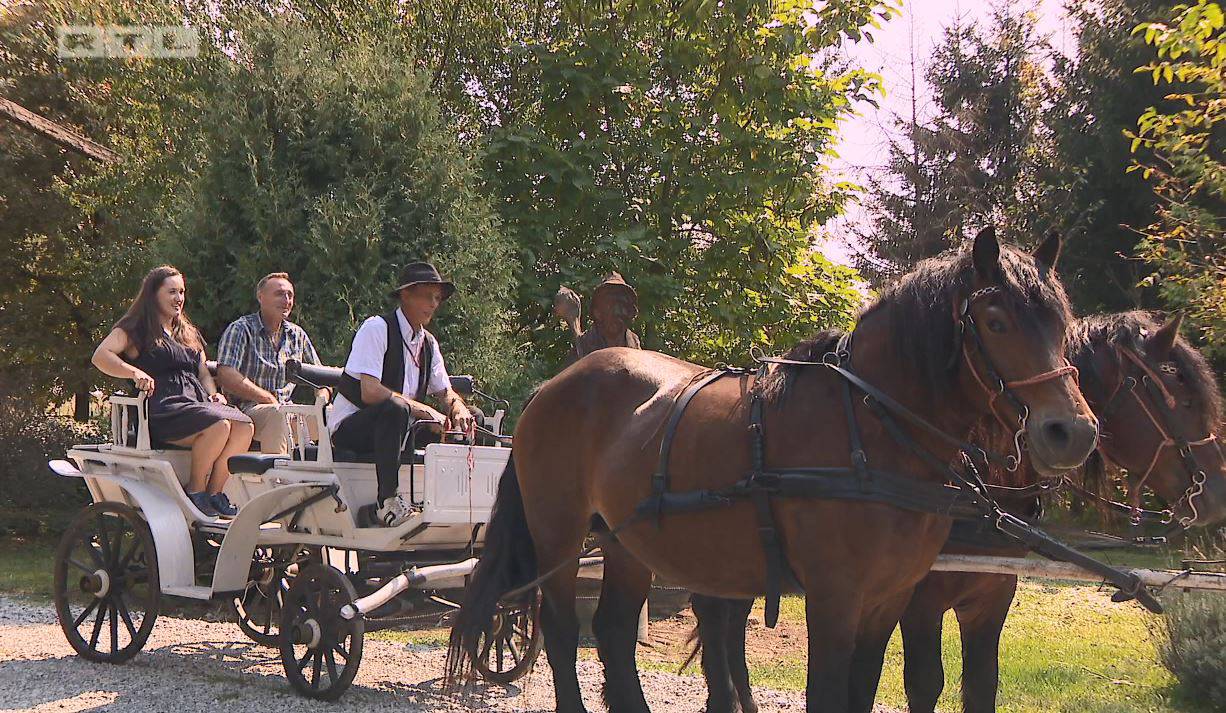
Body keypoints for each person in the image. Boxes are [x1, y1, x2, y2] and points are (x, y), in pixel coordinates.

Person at [92, 266, 253, 517]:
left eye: (182, 292)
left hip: (198, 404)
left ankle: (215, 492)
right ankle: (195, 490)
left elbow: (202, 372)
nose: (179, 298)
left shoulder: (186, 332)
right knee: (219, 425)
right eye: (171, 292)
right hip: (163, 407)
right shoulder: (136, 329)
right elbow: (101, 356)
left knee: (244, 426)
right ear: (153, 294)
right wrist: (133, 372)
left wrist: (214, 393)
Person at [330, 261, 476, 527]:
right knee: (397, 409)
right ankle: (386, 502)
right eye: (427, 296)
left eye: (437, 298)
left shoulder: (428, 342)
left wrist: (458, 408)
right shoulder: (377, 328)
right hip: (353, 429)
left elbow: (445, 391)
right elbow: (370, 391)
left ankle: (459, 498)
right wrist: (423, 410)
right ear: (406, 294)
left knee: (470, 417)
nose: (433, 304)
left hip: (399, 428)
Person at [215, 272, 326, 453]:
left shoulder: (297, 335)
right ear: (261, 297)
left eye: (290, 295)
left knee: (334, 417)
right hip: (246, 412)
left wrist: (321, 401)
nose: (286, 300)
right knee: (276, 415)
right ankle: (279, 480)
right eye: (279, 294)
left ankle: (336, 479)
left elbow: (320, 377)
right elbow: (226, 374)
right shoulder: (241, 329)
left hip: (289, 412)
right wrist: (265, 398)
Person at [556, 271, 642, 366]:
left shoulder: (633, 342)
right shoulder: (584, 345)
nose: (617, 312)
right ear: (597, 313)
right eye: (610, 305)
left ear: (630, 313)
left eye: (622, 305)